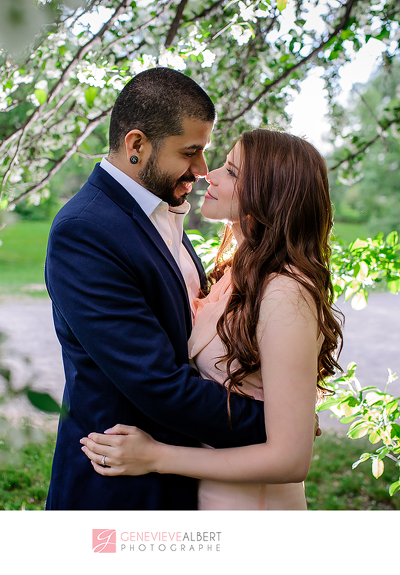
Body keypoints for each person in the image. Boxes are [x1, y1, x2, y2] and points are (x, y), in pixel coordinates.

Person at [79, 129, 344, 510]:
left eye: (232, 172)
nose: (210, 174)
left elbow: (290, 459)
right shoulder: (238, 271)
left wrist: (156, 456)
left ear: (270, 192)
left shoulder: (286, 292)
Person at [44, 67, 270, 510]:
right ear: (136, 145)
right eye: (190, 152)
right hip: (120, 492)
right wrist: (273, 422)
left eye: (205, 151)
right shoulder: (85, 231)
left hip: (184, 478)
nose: (201, 170)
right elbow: (158, 383)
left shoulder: (161, 207)